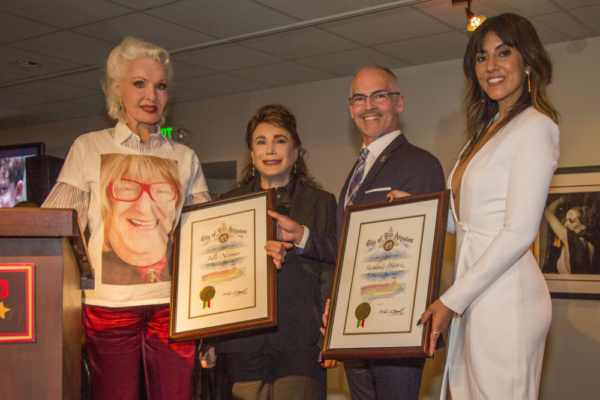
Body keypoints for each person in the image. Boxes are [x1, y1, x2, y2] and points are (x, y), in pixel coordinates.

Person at [42, 37, 210, 400]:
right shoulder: (88, 147)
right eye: (139, 83)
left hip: (172, 305)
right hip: (108, 306)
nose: (151, 94)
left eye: (160, 86)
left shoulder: (185, 157)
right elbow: (51, 227)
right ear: (117, 89)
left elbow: (206, 236)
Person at [271, 64, 445, 400]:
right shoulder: (358, 170)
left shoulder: (420, 164)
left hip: (397, 329)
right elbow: (352, 250)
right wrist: (303, 236)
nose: (369, 106)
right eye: (360, 98)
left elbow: (421, 253)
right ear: (351, 108)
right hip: (358, 326)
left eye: (379, 96)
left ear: (399, 102)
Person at [418, 13, 560, 399]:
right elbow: (463, 222)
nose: (491, 66)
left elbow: (518, 232)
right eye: (482, 57)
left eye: (503, 52)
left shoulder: (535, 126)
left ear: (527, 62)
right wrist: (419, 213)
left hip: (507, 296)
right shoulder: (484, 131)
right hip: (473, 291)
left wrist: (451, 299)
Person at [217, 104, 337, 400]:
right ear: (253, 153)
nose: (270, 149)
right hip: (242, 342)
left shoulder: (322, 202)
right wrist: (209, 338)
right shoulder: (227, 203)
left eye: (280, 140)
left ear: (296, 151)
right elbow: (218, 272)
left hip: (302, 340)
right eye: (261, 142)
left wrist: (333, 336)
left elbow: (331, 270)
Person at [544, 196, 596, 274]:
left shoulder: (571, 239)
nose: (565, 224)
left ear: (583, 226)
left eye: (571, 221)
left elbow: (548, 212)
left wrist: (563, 198)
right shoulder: (590, 245)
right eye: (565, 220)